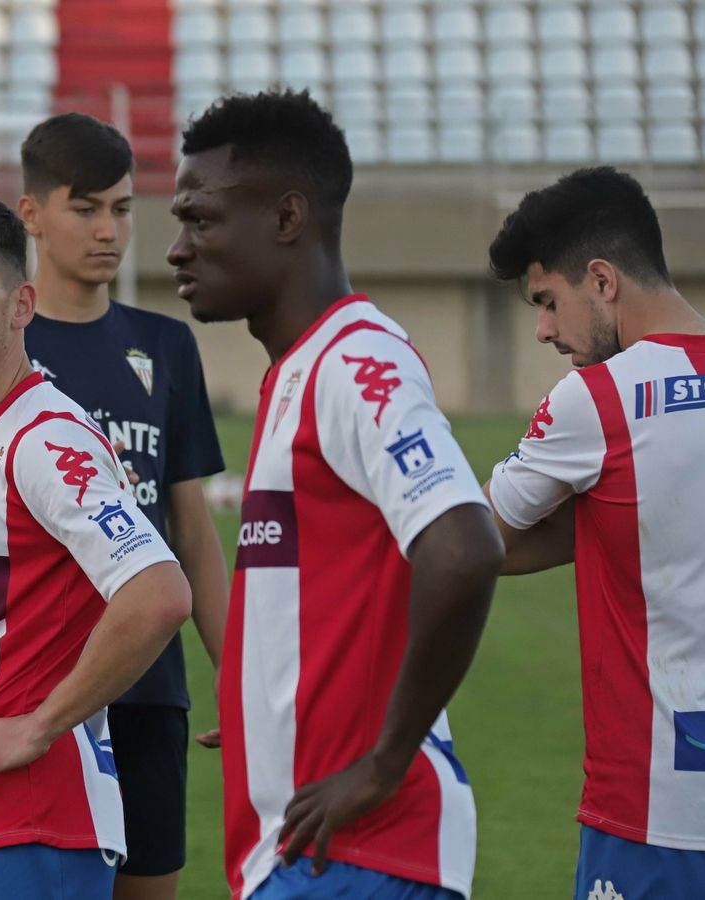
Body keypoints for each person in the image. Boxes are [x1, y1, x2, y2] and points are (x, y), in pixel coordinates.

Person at [168, 90, 503, 899]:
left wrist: (385, 763)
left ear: (288, 217)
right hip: (316, 855)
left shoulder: (355, 363)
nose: (178, 249)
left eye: (201, 220)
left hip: (361, 855)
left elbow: (464, 546)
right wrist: (263, 710)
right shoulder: (300, 369)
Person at [0, 112, 228, 900]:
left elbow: (188, 532)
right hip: (23, 677)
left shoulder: (157, 350)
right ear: (34, 214)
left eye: (121, 209)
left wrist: (237, 673)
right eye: (86, 208)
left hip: (141, 674)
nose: (108, 230)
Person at [484, 167, 705, 900]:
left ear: (602, 279)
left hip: (662, 807)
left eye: (548, 302)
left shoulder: (599, 398)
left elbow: (473, 538)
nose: (544, 329)